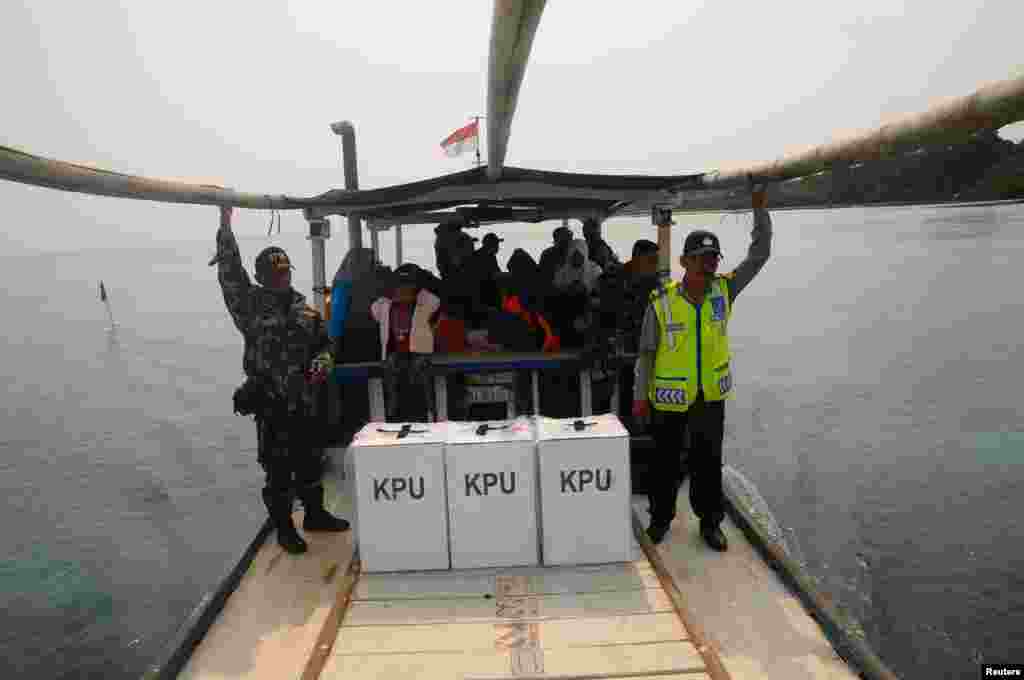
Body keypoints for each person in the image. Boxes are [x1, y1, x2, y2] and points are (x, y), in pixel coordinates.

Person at [633, 186, 772, 550]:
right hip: (668, 398)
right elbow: (646, 354)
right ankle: (660, 519)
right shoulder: (661, 303)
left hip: (710, 397)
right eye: (701, 258)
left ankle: (710, 522)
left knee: (708, 463)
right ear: (684, 262)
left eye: (713, 257)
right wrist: (639, 398)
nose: (709, 263)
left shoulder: (724, 291)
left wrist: (759, 209)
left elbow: (760, 255)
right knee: (664, 463)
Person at [215, 206, 350, 556]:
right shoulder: (249, 307)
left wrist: (322, 362)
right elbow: (230, 274)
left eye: (285, 272)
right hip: (271, 403)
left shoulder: (307, 312)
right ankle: (285, 528)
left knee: (310, 461)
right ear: (261, 277)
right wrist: (225, 224)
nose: (281, 278)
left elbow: (326, 347)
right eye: (274, 274)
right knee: (277, 471)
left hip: (304, 401)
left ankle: (316, 515)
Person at [370, 264, 441, 422]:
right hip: (393, 353)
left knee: (420, 383)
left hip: (419, 353)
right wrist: (389, 295)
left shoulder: (425, 302)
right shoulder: (384, 304)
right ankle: (393, 413)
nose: (404, 289)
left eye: (409, 285)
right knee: (392, 381)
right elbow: (374, 311)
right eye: (400, 285)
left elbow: (435, 301)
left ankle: (427, 413)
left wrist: (420, 291)